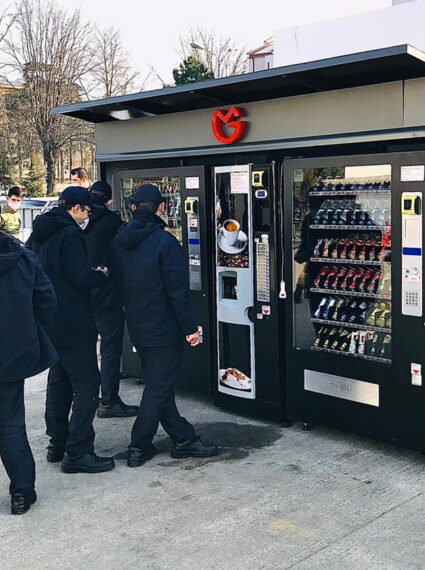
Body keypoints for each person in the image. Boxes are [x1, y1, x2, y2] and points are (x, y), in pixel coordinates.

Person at [112, 184, 218, 468]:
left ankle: (183, 437)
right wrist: (190, 328)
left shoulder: (120, 240)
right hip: (164, 328)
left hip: (137, 324)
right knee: (157, 388)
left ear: (133, 208)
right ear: (160, 208)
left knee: (159, 384)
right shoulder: (166, 243)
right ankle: (139, 445)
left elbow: (116, 283)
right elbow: (177, 292)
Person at [28, 186, 115, 474]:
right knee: (88, 383)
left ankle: (57, 443)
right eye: (86, 211)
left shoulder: (40, 232)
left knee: (60, 380)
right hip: (74, 320)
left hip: (49, 319)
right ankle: (78, 451)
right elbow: (78, 275)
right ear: (75, 208)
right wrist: (100, 275)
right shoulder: (69, 234)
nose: (87, 216)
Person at [0, 230, 57, 514]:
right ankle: (21, 493)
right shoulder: (22, 258)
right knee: (11, 424)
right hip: (11, 354)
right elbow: (47, 301)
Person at [83, 181, 138, 418]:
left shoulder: (75, 222)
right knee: (110, 349)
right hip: (107, 296)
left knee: (83, 350)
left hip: (80, 296)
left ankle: (87, 398)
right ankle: (108, 400)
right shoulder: (112, 222)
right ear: (109, 200)